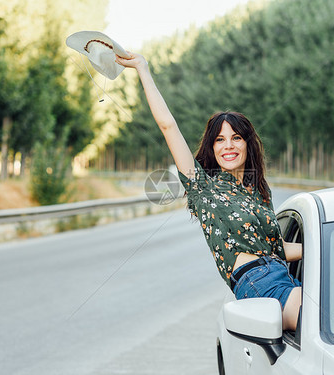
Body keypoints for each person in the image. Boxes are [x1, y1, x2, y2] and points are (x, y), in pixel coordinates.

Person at [115, 51, 303, 331]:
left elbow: (277, 249)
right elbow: (168, 125)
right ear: (212, 149)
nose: (228, 145)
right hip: (256, 282)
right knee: (321, 317)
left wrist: (327, 246)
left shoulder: (259, 191)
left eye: (236, 138)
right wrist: (143, 69)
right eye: (220, 139)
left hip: (284, 276)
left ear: (248, 144)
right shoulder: (204, 189)